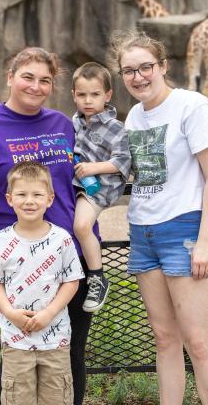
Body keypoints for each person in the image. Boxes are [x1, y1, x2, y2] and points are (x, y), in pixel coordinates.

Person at [0, 47, 93, 405]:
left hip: (68, 260)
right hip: (14, 264)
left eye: (45, 80)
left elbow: (84, 181)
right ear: (10, 77)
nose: (36, 86)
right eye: (28, 77)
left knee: (69, 354)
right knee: (17, 355)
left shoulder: (62, 124)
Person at [107, 30, 208, 404]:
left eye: (145, 67)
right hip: (144, 232)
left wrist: (206, 240)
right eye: (129, 71)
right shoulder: (133, 120)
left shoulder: (193, 107)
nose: (138, 77)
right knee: (164, 338)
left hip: (186, 231)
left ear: (162, 66)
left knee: (197, 340)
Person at [0, 161, 84, 404]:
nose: (29, 201)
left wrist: (49, 313)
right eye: (21, 194)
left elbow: (71, 282)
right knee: (18, 397)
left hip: (56, 338)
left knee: (56, 397)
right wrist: (10, 312)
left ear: (50, 199)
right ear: (9, 199)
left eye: (37, 194)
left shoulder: (61, 239)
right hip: (16, 338)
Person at [71, 62, 131, 312]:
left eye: (95, 95)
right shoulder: (74, 122)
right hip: (75, 183)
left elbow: (123, 160)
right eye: (82, 94)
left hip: (99, 187)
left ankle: (97, 277)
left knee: (82, 225)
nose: (88, 100)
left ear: (107, 96)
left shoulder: (116, 128)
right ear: (73, 95)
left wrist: (94, 168)